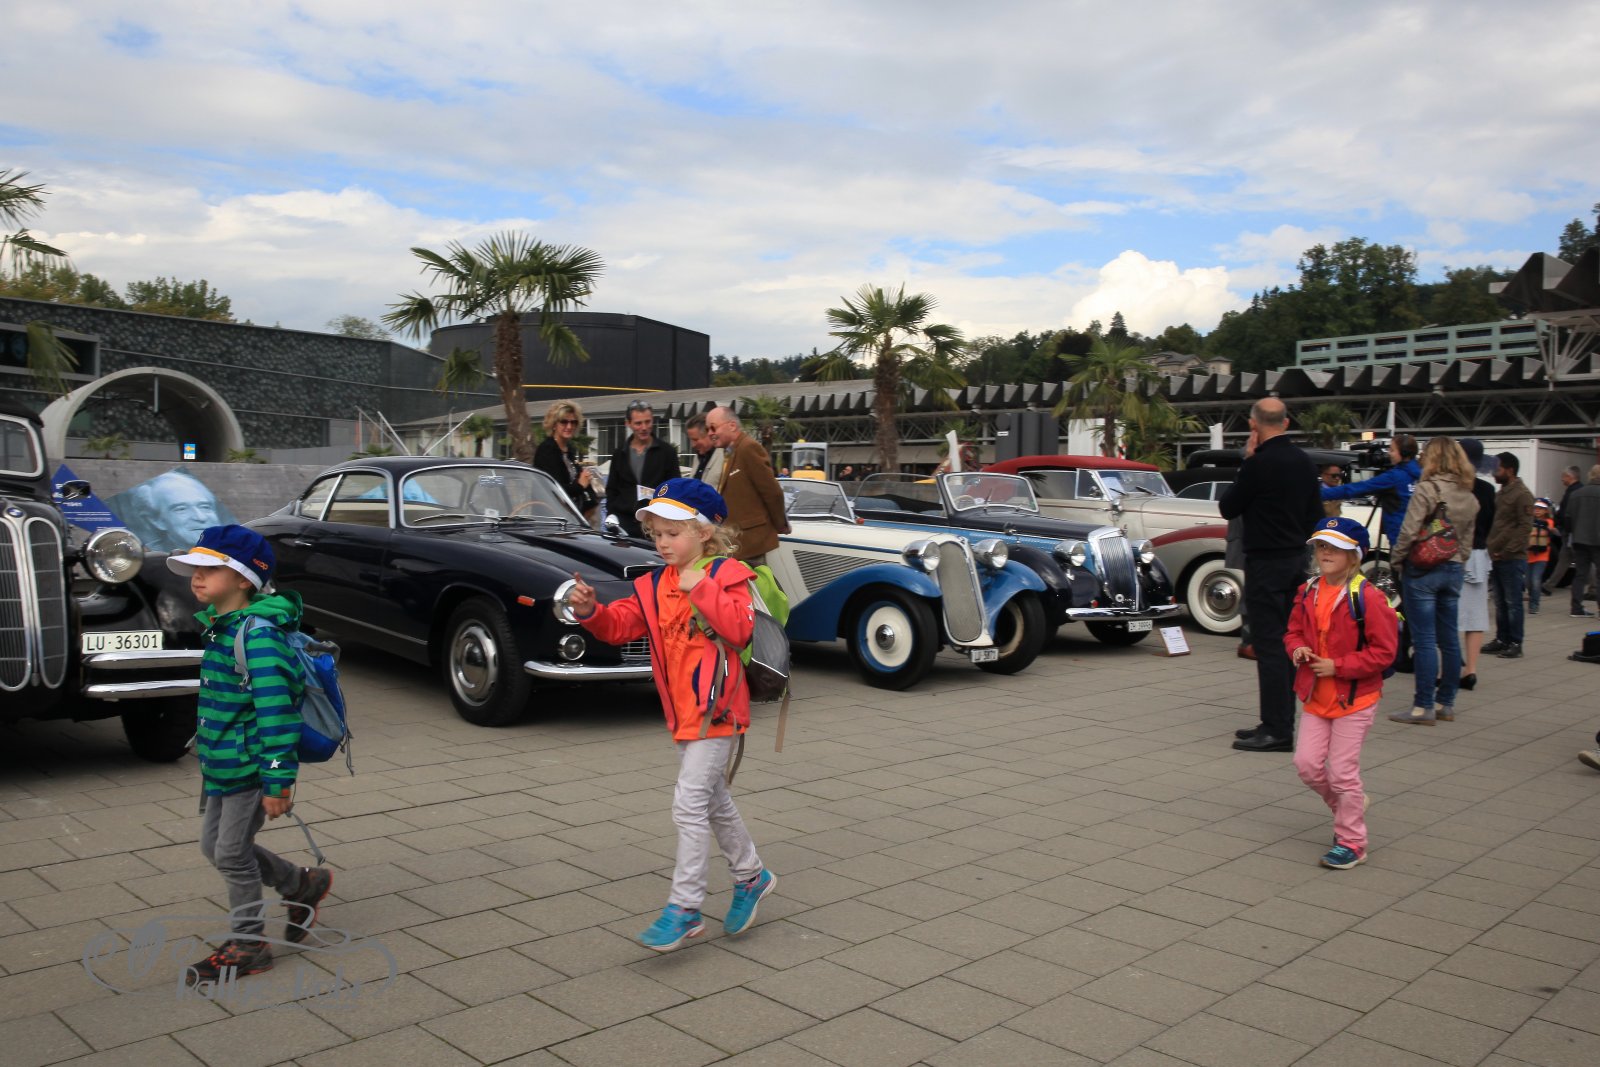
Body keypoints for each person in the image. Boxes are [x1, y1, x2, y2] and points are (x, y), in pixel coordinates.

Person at [564, 479, 776, 951]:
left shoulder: (727, 574)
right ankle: (751, 876)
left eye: (672, 533)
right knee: (713, 802)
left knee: (689, 804)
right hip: (681, 713)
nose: (662, 543)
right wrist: (591, 611)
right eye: (656, 533)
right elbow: (620, 626)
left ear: (703, 532)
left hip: (717, 711)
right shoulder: (654, 584)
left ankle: (685, 907)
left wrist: (703, 588)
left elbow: (740, 630)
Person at [165, 525, 332, 985]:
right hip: (223, 762)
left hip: (251, 766)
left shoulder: (257, 637)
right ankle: (300, 882)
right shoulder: (222, 627)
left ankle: (249, 944)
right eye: (195, 568)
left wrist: (278, 781)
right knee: (215, 847)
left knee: (231, 853)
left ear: (243, 578)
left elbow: (277, 714)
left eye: (210, 569)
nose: (197, 577)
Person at [1286, 517, 1398, 869]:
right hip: (1315, 695)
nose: (1326, 553)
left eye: (1335, 547)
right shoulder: (1308, 591)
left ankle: (1353, 842)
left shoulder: (1369, 597)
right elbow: (1292, 632)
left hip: (1355, 698)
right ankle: (1348, 808)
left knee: (1342, 774)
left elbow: (1385, 653)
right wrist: (1297, 648)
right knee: (1306, 765)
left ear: (1354, 555)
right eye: (1321, 546)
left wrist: (1338, 666)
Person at [1220, 398, 1323, 753]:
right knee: (1290, 639)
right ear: (1286, 422)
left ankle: (1277, 728)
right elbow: (1315, 515)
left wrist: (1247, 461)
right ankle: (1278, 720)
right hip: (1295, 560)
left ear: (1253, 425)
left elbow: (1228, 506)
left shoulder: (1259, 463)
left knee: (1269, 644)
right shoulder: (1304, 462)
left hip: (1265, 562)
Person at [1388, 437, 1479, 725]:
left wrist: (1397, 560)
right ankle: (1445, 703)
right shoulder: (1468, 494)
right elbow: (1467, 539)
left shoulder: (1428, 489)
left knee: (1424, 639)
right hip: (1454, 568)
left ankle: (1422, 706)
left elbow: (1409, 530)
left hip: (1424, 569)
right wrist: (1458, 560)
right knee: (1449, 639)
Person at [705, 406, 789, 565]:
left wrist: (780, 525)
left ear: (732, 425)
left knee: (756, 580)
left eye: (713, 427)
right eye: (707, 429)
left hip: (751, 543)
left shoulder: (748, 448)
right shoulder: (731, 452)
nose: (709, 433)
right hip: (738, 542)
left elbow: (772, 492)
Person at [1320, 435, 1420, 552]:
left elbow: (1355, 489)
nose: (1389, 454)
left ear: (1403, 453)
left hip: (1400, 538)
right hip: (1417, 535)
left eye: (1392, 450)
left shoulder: (1394, 477)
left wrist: (1318, 494)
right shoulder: (1420, 473)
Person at [604, 401, 680, 539]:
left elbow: (675, 488)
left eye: (647, 422)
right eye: (638, 423)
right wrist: (612, 513)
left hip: (655, 523)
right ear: (628, 423)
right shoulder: (619, 453)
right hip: (624, 524)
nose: (644, 427)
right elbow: (612, 488)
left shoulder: (667, 452)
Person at [1484, 452, 1535, 658]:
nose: (1494, 473)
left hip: (1511, 558)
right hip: (1496, 556)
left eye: (1498, 469)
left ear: (1510, 470)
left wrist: (1507, 551)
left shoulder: (1522, 494)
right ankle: (1502, 639)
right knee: (1500, 602)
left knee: (1513, 602)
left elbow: (1525, 527)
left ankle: (1515, 642)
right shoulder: (1502, 492)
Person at [1456, 439, 1497, 691]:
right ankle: (1471, 669)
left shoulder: (1452, 487)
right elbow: (1491, 523)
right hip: (1479, 556)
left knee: (1448, 614)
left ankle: (1448, 668)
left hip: (1453, 553)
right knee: (1476, 616)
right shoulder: (1487, 489)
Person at [126, 469, 224, 552]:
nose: (201, 517)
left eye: (205, 507)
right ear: (157, 521)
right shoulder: (146, 558)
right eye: (181, 509)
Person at [533, 401, 599, 522]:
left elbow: (577, 480)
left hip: (570, 518)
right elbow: (554, 489)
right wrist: (580, 486)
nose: (569, 426)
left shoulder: (569, 450)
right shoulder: (547, 449)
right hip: (551, 519)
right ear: (554, 424)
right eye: (564, 422)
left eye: (573, 422)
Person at [1543, 465, 1583, 595]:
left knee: (1581, 560)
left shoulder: (1572, 492)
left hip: (1571, 532)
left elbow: (1566, 512)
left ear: (1569, 477)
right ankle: (1548, 586)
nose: (1561, 479)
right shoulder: (1578, 490)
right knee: (1565, 559)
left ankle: (1593, 587)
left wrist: (1558, 524)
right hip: (1574, 531)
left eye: (1563, 477)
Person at [1568, 465, 1600, 618]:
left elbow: (1568, 518)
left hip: (1579, 540)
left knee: (1580, 575)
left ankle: (1576, 608)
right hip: (1598, 541)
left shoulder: (1576, 494)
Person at [1528, 498, 1556, 615]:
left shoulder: (1549, 522)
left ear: (1546, 511)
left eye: (1540, 508)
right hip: (1529, 555)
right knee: (1528, 582)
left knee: (1536, 579)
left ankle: (1534, 604)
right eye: (1535, 508)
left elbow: (1548, 531)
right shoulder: (1529, 521)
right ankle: (1532, 598)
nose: (1537, 510)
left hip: (1542, 556)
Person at [685, 413, 725, 487]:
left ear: (709, 434)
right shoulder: (698, 457)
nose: (693, 445)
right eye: (691, 440)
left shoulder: (726, 457)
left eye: (695, 439)